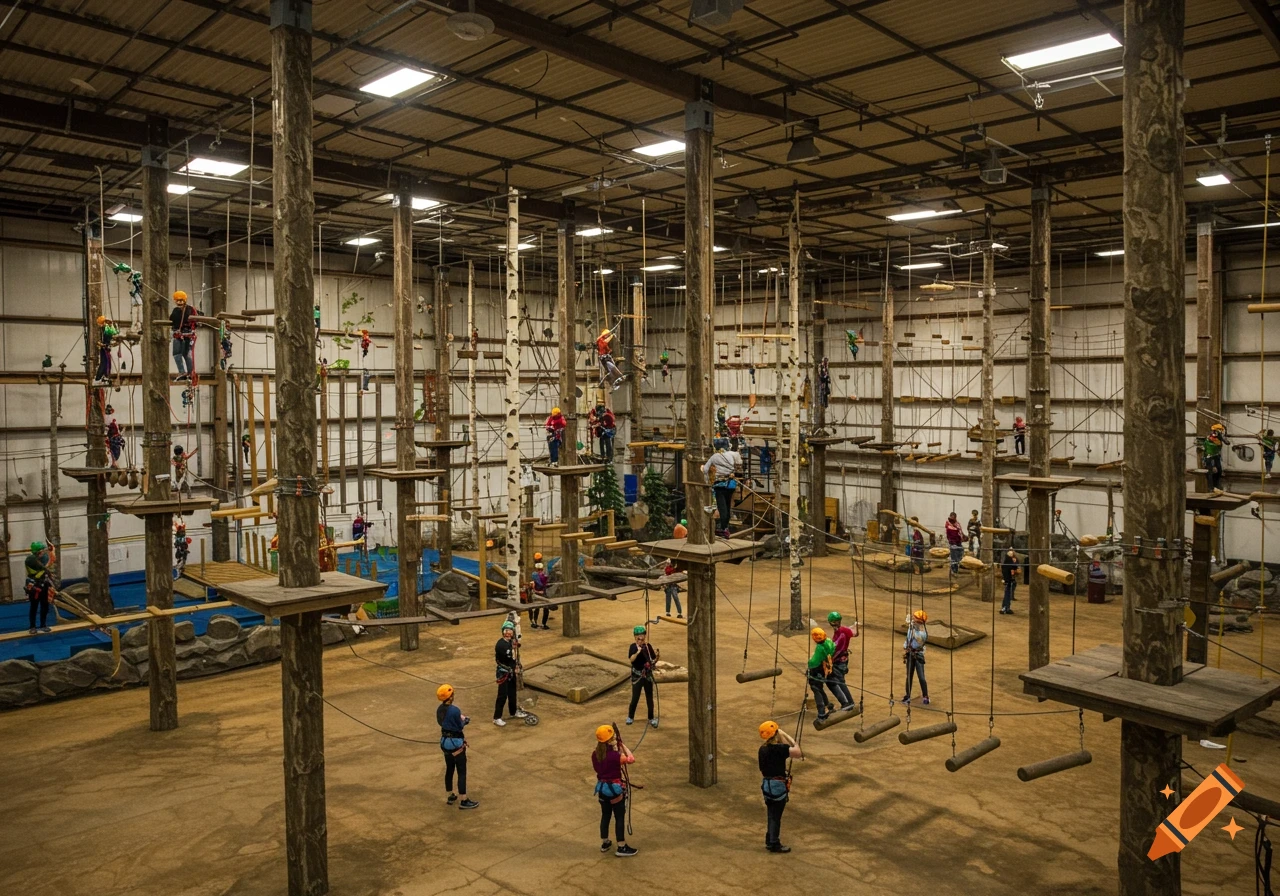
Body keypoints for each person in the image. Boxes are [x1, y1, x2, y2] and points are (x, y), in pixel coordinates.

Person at [592, 725, 637, 856]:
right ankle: (621, 846)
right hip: (615, 790)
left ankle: (605, 842)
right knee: (619, 816)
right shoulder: (615, 756)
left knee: (605, 815)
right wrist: (622, 745)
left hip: (602, 788)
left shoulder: (595, 754)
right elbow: (631, 759)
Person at [758, 720, 802, 854]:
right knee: (776, 816)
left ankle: (770, 839)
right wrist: (789, 737)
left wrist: (777, 732)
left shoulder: (762, 749)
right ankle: (774, 843)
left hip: (767, 785)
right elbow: (798, 752)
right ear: (775, 733)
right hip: (777, 786)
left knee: (771, 814)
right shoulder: (780, 749)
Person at [436, 684, 478, 809]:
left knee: (449, 769)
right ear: (450, 697)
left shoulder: (439, 709)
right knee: (461, 771)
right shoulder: (455, 710)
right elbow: (459, 726)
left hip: (445, 742)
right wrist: (465, 721)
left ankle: (450, 795)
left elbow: (442, 722)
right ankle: (463, 800)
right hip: (456, 743)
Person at [702, 438, 740, 537]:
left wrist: (706, 477)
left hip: (720, 485)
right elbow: (738, 464)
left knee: (722, 507)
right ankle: (726, 527)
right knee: (727, 505)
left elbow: (705, 469)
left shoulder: (714, 456)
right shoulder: (731, 455)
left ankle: (724, 528)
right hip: (731, 484)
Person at [493, 620, 527, 726]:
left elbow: (513, 657)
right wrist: (510, 668)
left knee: (512, 693)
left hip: (512, 672)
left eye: (510, 631)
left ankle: (513, 711)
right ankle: (497, 717)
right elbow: (502, 659)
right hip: (503, 673)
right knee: (502, 695)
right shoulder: (500, 645)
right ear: (503, 632)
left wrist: (516, 666)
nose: (509, 633)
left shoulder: (511, 643)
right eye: (506, 631)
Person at [626, 625, 659, 728]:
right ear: (635, 637)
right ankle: (630, 716)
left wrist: (657, 657)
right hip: (637, 676)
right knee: (635, 697)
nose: (641, 639)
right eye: (638, 637)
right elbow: (631, 659)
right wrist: (637, 652)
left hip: (647, 675)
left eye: (642, 636)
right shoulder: (633, 647)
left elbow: (653, 659)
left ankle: (651, 718)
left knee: (649, 697)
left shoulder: (648, 647)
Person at [827, 611, 858, 711]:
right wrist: (855, 626)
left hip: (839, 660)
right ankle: (847, 702)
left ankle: (849, 703)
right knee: (836, 680)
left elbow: (835, 648)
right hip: (841, 659)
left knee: (840, 681)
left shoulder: (841, 631)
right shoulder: (843, 629)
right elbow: (855, 633)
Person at [807, 626, 836, 723]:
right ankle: (829, 706)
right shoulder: (829, 642)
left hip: (818, 670)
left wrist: (809, 669)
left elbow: (814, 662)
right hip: (826, 667)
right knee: (819, 688)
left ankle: (821, 713)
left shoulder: (820, 648)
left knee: (816, 689)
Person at [24, 541, 54, 634]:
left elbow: (48, 561)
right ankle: (32, 626)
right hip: (34, 586)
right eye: (42, 551)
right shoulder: (30, 559)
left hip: (44, 585)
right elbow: (43, 567)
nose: (43, 552)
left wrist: (51, 551)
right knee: (34, 607)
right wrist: (51, 553)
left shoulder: (43, 557)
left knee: (45, 606)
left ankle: (43, 625)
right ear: (37, 552)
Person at [170, 290, 198, 382]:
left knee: (185, 354)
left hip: (187, 335)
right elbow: (172, 320)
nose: (179, 302)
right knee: (178, 354)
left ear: (184, 300)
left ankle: (189, 373)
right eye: (178, 301)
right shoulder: (176, 310)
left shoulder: (190, 309)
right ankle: (183, 372)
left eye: (181, 300)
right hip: (178, 334)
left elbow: (196, 320)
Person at [902, 609, 929, 705]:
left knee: (921, 677)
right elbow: (908, 639)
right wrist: (905, 646)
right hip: (910, 654)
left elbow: (918, 638)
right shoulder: (911, 628)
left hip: (918, 655)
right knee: (909, 676)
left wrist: (912, 627)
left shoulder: (923, 633)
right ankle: (907, 696)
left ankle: (925, 696)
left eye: (915, 619)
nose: (913, 620)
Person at [1201, 423, 1229, 490]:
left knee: (1219, 470)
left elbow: (1227, 442)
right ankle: (1211, 488)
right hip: (1209, 456)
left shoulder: (1219, 437)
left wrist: (1222, 437)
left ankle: (1216, 486)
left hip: (1216, 455)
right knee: (1210, 472)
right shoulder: (1211, 437)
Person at [94, 315, 118, 384]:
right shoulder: (105, 329)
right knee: (105, 362)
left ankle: (103, 376)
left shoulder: (107, 329)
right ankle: (101, 377)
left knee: (106, 362)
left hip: (106, 347)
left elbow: (113, 336)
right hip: (105, 348)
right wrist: (104, 345)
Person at [529, 561, 551, 630]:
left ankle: (543, 624)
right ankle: (535, 623)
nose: (540, 571)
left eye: (541, 569)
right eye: (539, 570)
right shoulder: (535, 576)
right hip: (537, 594)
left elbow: (545, 585)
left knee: (545, 609)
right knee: (536, 609)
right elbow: (533, 587)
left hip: (542, 594)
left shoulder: (544, 576)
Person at [1001, 548, 1019, 615]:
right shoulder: (1008, 561)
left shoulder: (1011, 560)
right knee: (1007, 593)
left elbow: (1016, 567)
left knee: (1008, 593)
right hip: (1008, 579)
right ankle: (1005, 608)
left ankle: (1006, 607)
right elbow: (1014, 567)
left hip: (1010, 579)